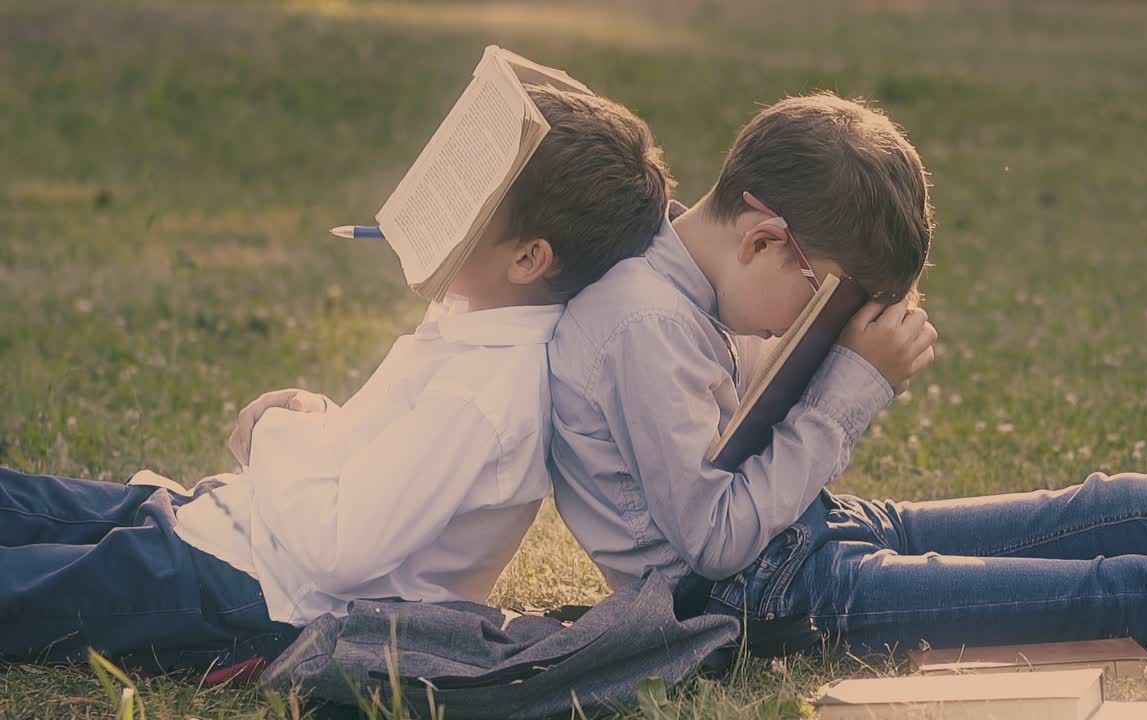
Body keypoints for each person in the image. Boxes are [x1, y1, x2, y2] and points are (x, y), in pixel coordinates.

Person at [546, 92, 1147, 657]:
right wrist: (848, 389)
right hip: (762, 596)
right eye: (826, 300)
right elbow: (716, 540)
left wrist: (834, 359)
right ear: (765, 240)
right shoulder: (645, 326)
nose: (817, 322)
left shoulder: (698, 293)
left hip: (813, 534)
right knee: (1134, 593)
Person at [0, 84, 675, 672]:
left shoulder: (486, 396)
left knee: (25, 586)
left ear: (528, 258)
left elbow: (340, 554)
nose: (440, 198)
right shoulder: (473, 326)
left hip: (249, 591)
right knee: (23, 501)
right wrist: (316, 419)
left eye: (472, 196)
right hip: (224, 528)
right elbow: (376, 470)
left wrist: (275, 432)